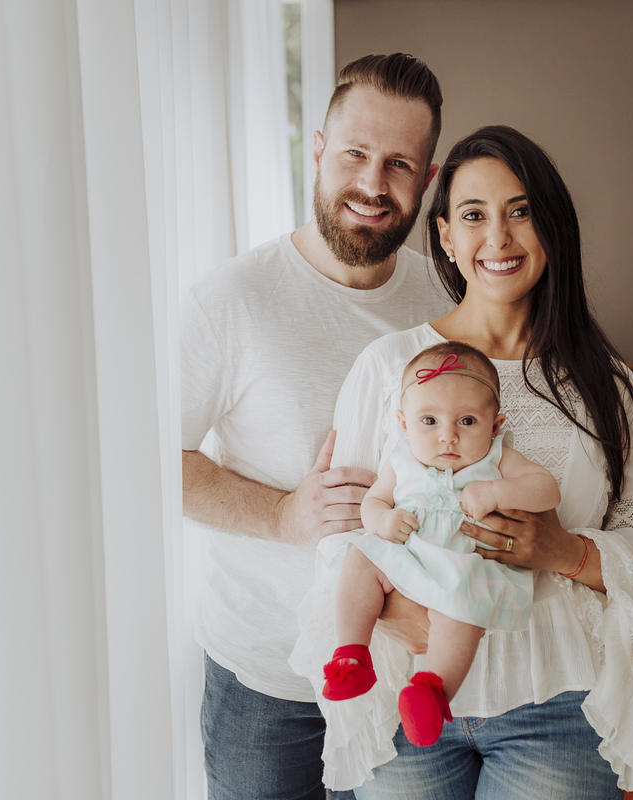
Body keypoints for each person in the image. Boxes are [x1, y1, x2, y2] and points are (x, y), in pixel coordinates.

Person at [290, 126, 633, 798]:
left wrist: (561, 551)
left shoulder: (606, 385)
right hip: (406, 703)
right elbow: (343, 532)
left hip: (559, 704)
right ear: (445, 236)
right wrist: (396, 615)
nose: (498, 238)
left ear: (553, 229)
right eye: (474, 215)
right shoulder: (390, 366)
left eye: (521, 212)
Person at [181, 53, 454, 800]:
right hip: (265, 685)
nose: (372, 183)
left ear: (428, 181)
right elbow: (144, 462)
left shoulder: (448, 302)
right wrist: (279, 514)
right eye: (356, 153)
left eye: (399, 163)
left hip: (405, 678)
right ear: (318, 151)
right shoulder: (231, 299)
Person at [322, 342, 561, 751]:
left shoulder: (498, 458)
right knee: (360, 558)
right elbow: (373, 502)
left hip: (465, 563)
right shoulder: (399, 460)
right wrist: (382, 519)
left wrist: (497, 492)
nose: (447, 436)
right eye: (429, 420)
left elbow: (547, 491)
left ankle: (432, 690)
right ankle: (351, 655)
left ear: (496, 425)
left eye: (467, 421)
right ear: (403, 423)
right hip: (407, 556)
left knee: (462, 605)